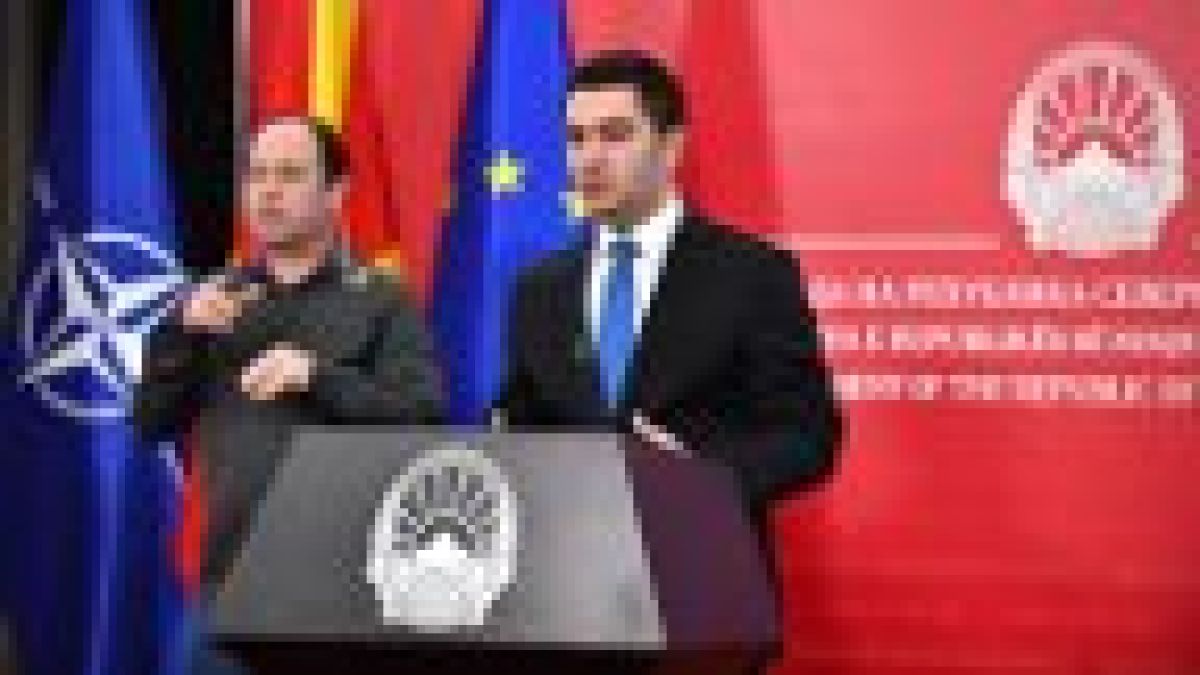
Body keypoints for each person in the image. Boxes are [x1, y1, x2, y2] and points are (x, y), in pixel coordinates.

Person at [498, 52, 842, 662]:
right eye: (576, 138)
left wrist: (700, 480)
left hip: (704, 600)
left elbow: (808, 437)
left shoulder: (752, 274)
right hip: (565, 603)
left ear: (671, 146)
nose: (589, 159)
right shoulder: (539, 287)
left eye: (615, 135)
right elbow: (522, 417)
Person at [134, 115, 442, 673]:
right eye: (257, 175)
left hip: (348, 592)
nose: (268, 191)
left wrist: (317, 377)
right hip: (229, 583)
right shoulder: (212, 300)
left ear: (335, 193)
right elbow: (151, 422)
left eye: (290, 175)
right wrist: (181, 334)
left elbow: (421, 417)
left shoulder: (381, 300)